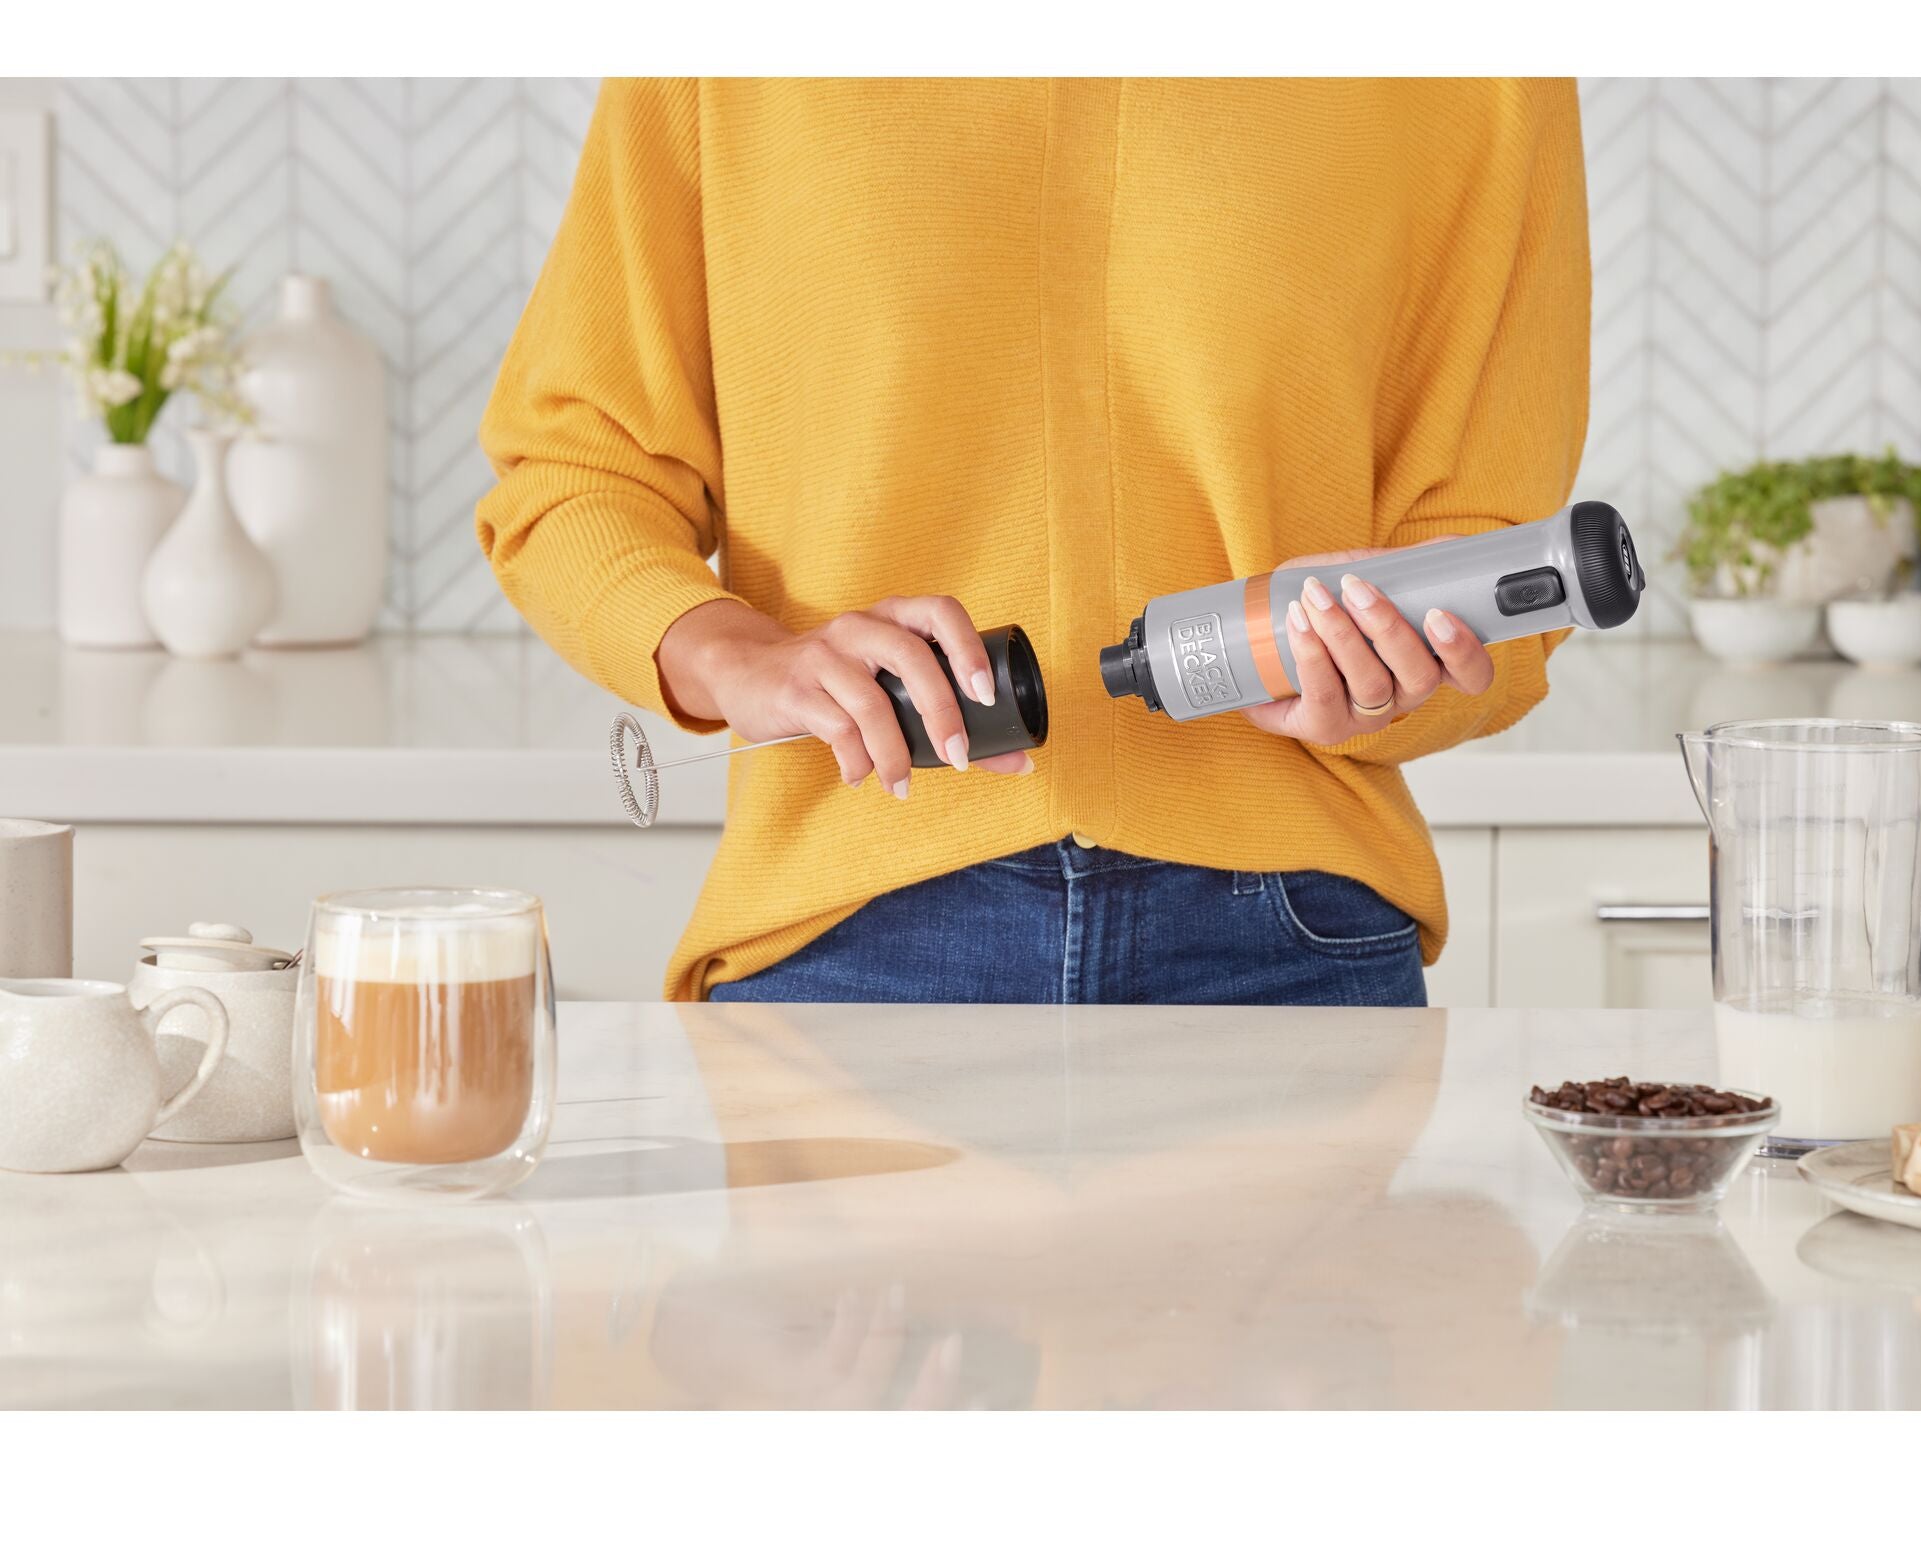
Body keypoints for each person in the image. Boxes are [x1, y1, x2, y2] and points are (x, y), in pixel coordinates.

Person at [477, 79, 1589, 1005]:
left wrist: (1393, 675)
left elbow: (1497, 550)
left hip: (1288, 940)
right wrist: (728, 648)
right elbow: (575, 475)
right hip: (847, 942)